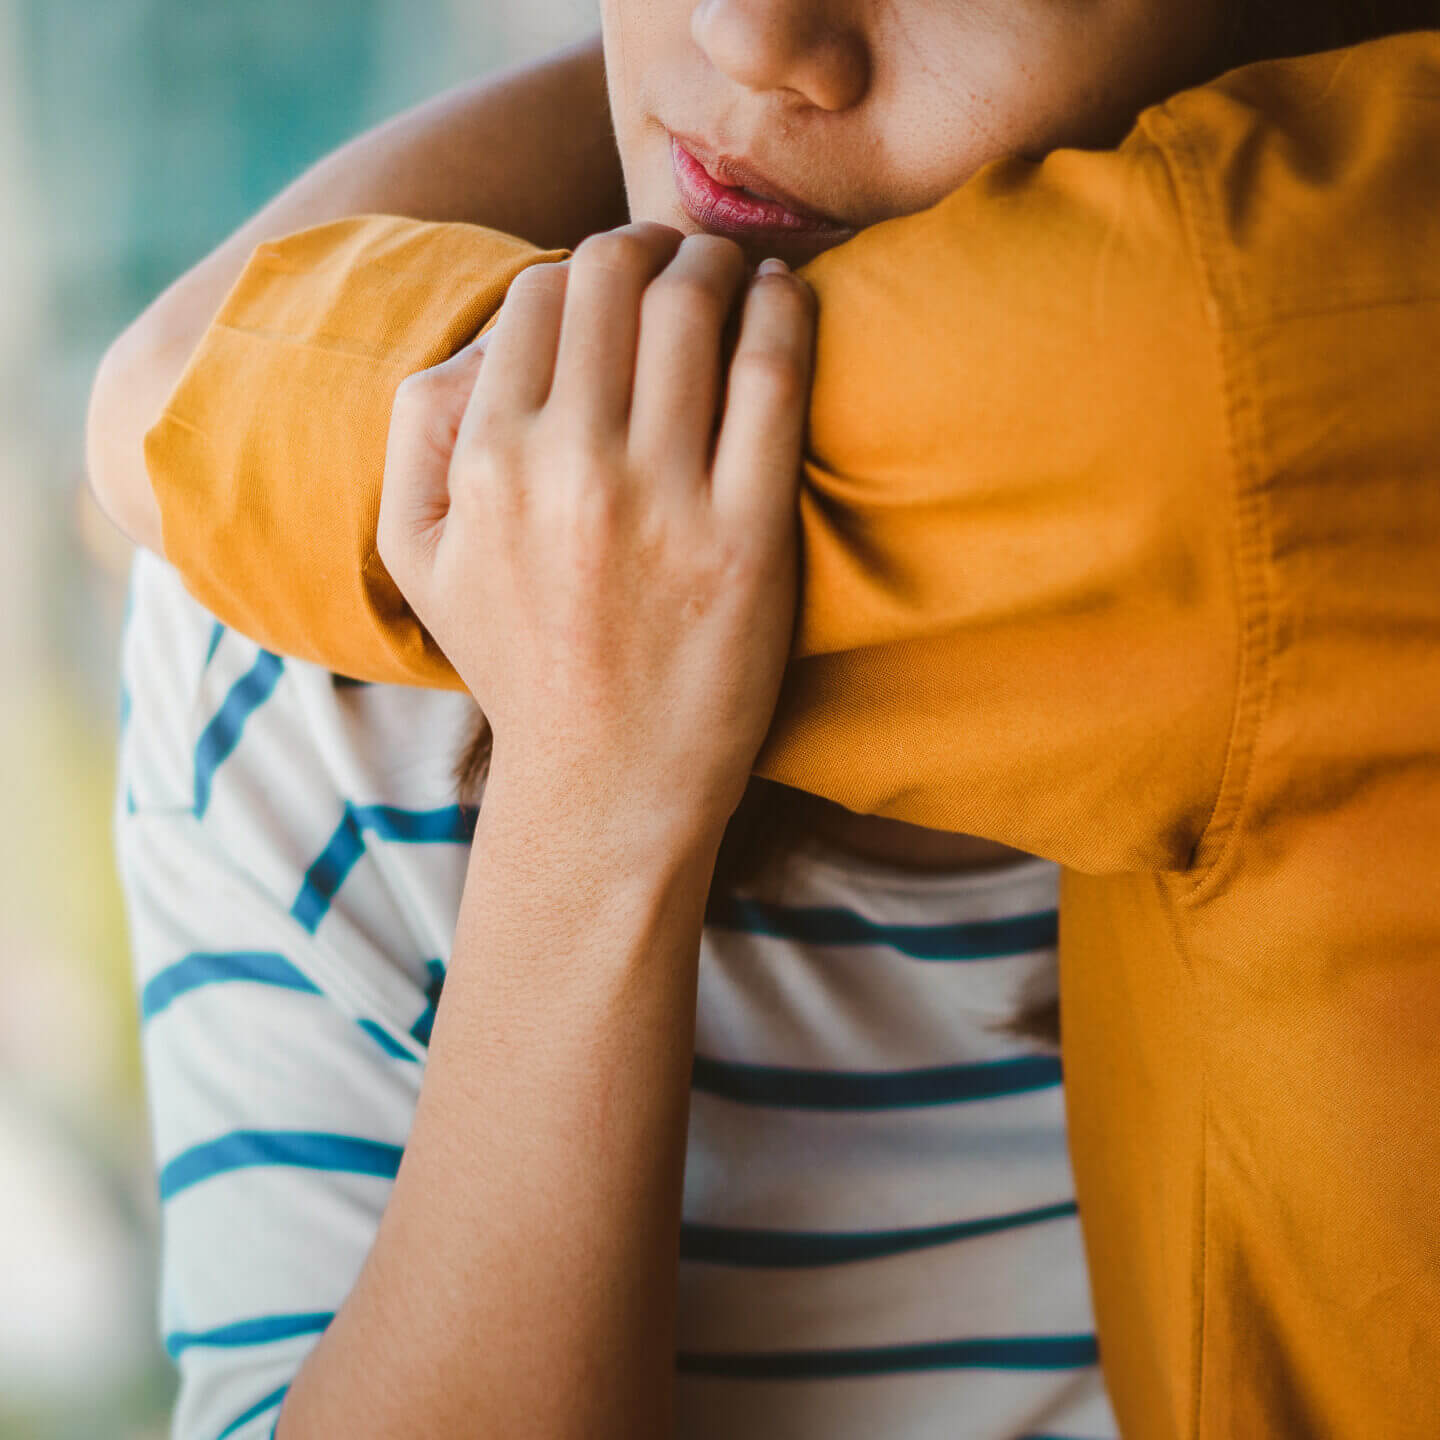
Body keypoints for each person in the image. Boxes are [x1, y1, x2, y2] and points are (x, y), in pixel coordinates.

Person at [90, 9, 1440, 1440]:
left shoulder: (1312, 422)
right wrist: (590, 826)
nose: (749, 30)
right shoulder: (315, 694)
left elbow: (171, 406)